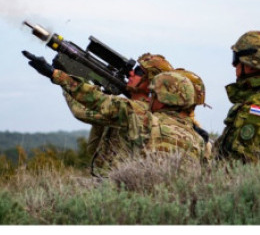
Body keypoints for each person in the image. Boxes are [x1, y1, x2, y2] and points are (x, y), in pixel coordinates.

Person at [27, 58, 206, 166]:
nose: (151, 98)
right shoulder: (199, 138)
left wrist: (57, 75)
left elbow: (97, 100)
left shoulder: (141, 115)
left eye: (154, 94)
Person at [78, 53, 174, 176]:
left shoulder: (139, 111)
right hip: (107, 179)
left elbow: (81, 112)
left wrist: (64, 76)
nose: (131, 74)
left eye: (139, 72)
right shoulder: (129, 107)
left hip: (122, 182)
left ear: (152, 81)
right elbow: (93, 149)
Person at [214, 31, 260, 162]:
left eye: (236, 59)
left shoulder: (254, 108)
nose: (234, 66)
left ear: (251, 65)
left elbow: (238, 162)